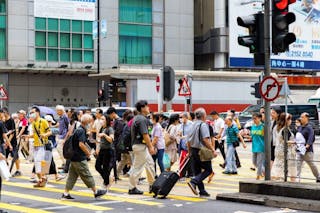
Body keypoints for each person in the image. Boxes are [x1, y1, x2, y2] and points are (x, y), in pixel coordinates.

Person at [62, 114, 107, 199]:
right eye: (90, 122)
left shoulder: (79, 129)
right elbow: (81, 144)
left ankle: (66, 193)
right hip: (79, 158)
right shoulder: (81, 131)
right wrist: (87, 153)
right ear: (88, 122)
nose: (91, 123)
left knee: (72, 176)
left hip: (74, 158)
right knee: (87, 175)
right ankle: (96, 192)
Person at [186, 108, 217, 197]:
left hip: (193, 150)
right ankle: (193, 181)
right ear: (203, 116)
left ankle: (202, 190)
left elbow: (188, 140)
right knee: (208, 170)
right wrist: (213, 150)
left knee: (197, 172)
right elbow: (205, 139)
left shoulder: (192, 125)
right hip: (202, 151)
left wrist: (189, 152)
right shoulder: (203, 125)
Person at [128, 100, 155, 195]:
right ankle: (132, 188)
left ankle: (152, 185)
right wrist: (151, 146)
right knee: (137, 167)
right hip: (140, 146)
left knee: (150, 164)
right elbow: (145, 134)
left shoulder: (138, 118)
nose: (149, 108)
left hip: (139, 146)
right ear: (142, 108)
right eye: (147, 107)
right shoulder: (141, 119)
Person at [29, 106, 52, 187]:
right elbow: (35, 135)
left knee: (39, 164)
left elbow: (50, 132)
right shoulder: (34, 123)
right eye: (31, 113)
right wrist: (28, 136)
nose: (31, 114)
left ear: (37, 113)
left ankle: (43, 178)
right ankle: (41, 180)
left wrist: (44, 135)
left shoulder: (43, 121)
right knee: (37, 163)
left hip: (42, 146)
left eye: (33, 112)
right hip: (35, 145)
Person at [271, 113, 297, 182]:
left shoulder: (277, 127)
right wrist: (295, 142)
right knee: (291, 169)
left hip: (278, 151)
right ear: (286, 120)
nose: (291, 121)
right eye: (289, 119)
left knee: (278, 169)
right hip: (287, 152)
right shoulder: (285, 129)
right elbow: (286, 141)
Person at [297, 112, 320, 182]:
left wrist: (307, 146)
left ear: (307, 118)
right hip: (299, 150)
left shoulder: (309, 128)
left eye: (302, 117)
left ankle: (318, 177)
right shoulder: (300, 127)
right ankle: (297, 179)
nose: (301, 118)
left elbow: (311, 138)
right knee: (298, 164)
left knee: (311, 164)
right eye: (300, 117)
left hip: (308, 151)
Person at [95, 115, 114, 189]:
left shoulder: (110, 129)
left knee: (105, 167)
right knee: (97, 166)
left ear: (107, 120)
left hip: (108, 150)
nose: (101, 120)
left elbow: (111, 139)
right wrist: (97, 148)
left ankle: (106, 182)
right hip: (102, 150)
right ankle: (107, 179)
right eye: (101, 119)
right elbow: (100, 140)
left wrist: (104, 135)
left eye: (103, 119)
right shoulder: (102, 128)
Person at [106, 107, 125, 181]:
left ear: (113, 113)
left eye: (110, 115)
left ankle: (111, 174)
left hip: (117, 143)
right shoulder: (116, 121)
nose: (109, 117)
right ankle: (114, 175)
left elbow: (118, 132)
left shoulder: (119, 121)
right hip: (115, 143)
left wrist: (111, 132)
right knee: (114, 159)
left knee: (114, 159)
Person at [3, 108, 21, 177]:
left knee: (15, 156)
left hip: (12, 142)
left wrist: (8, 143)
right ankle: (6, 170)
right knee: (4, 156)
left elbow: (12, 133)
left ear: (6, 112)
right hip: (5, 142)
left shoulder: (11, 120)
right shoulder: (3, 121)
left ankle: (18, 170)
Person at [250, 113, 265, 180]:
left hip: (261, 146)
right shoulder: (253, 126)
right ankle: (265, 172)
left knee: (259, 162)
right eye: (253, 118)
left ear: (260, 118)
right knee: (254, 162)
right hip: (254, 146)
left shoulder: (263, 126)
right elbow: (252, 136)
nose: (254, 120)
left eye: (255, 118)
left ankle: (258, 175)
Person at [178, 112, 193, 178]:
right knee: (183, 160)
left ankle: (189, 174)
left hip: (189, 145)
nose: (180, 119)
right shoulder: (181, 125)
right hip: (182, 145)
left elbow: (192, 134)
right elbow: (179, 132)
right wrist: (179, 134)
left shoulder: (191, 124)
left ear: (186, 117)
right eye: (180, 117)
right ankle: (184, 174)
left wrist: (185, 137)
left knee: (189, 160)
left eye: (181, 117)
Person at [56, 105, 69, 169]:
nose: (57, 112)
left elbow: (68, 126)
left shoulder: (65, 117)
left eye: (57, 110)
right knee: (61, 150)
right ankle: (64, 163)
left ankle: (65, 163)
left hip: (64, 136)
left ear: (61, 111)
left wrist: (66, 137)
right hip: (60, 135)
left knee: (59, 149)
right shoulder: (60, 117)